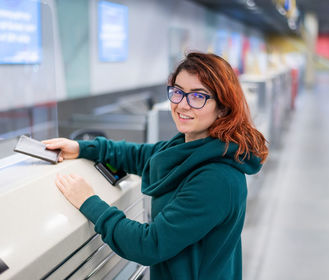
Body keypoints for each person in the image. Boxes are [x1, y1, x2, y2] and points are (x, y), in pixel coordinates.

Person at [44, 52, 268, 280]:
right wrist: (82, 148)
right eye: (178, 92)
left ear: (223, 107)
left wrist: (88, 201)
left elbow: (149, 245)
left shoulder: (217, 178)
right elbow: (142, 156)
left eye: (198, 96)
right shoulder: (190, 146)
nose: (182, 104)